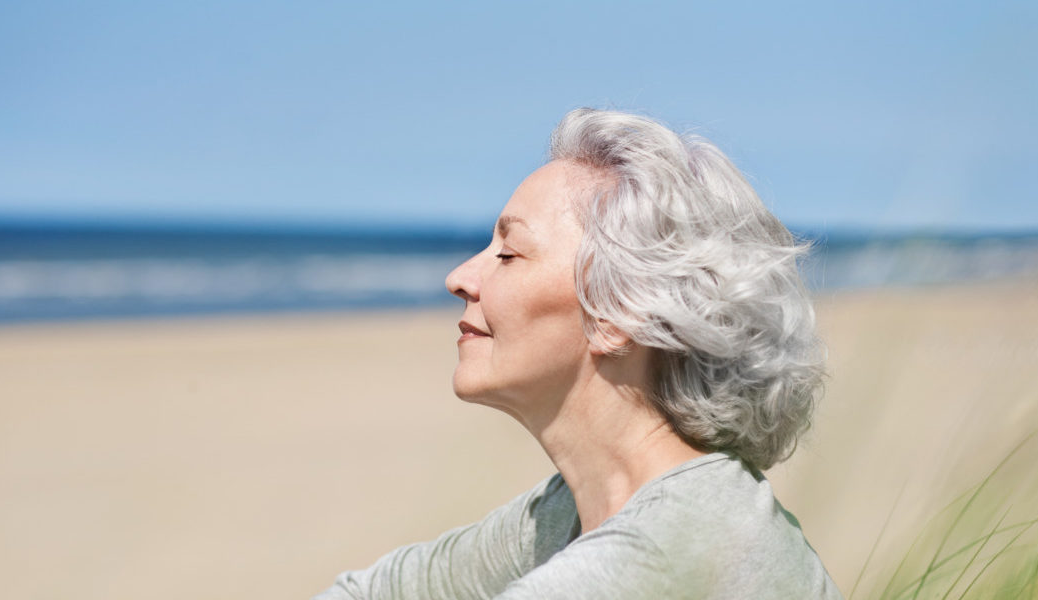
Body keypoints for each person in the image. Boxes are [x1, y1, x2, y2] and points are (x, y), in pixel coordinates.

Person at [315, 108, 842, 599]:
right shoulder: (571, 512)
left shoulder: (671, 544)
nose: (460, 278)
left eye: (508, 253)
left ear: (619, 314)